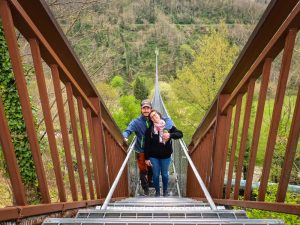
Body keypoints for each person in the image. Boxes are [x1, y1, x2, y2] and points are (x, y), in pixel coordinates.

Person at [123, 99, 173, 196]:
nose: (146, 110)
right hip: (141, 150)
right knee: (143, 170)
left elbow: (168, 120)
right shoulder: (136, 122)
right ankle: (146, 189)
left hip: (153, 149)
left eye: (148, 108)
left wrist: (166, 130)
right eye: (144, 108)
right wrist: (125, 136)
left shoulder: (153, 118)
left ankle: (150, 182)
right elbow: (128, 130)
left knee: (151, 168)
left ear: (151, 109)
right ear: (141, 109)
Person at [144, 109, 183, 197]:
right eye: (152, 117)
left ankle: (165, 191)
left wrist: (170, 135)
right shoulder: (149, 130)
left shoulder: (169, 127)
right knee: (156, 174)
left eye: (155, 115)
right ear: (151, 120)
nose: (154, 117)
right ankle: (157, 192)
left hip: (166, 156)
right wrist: (146, 158)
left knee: (165, 174)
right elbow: (147, 145)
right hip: (154, 156)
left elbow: (180, 134)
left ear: (159, 115)